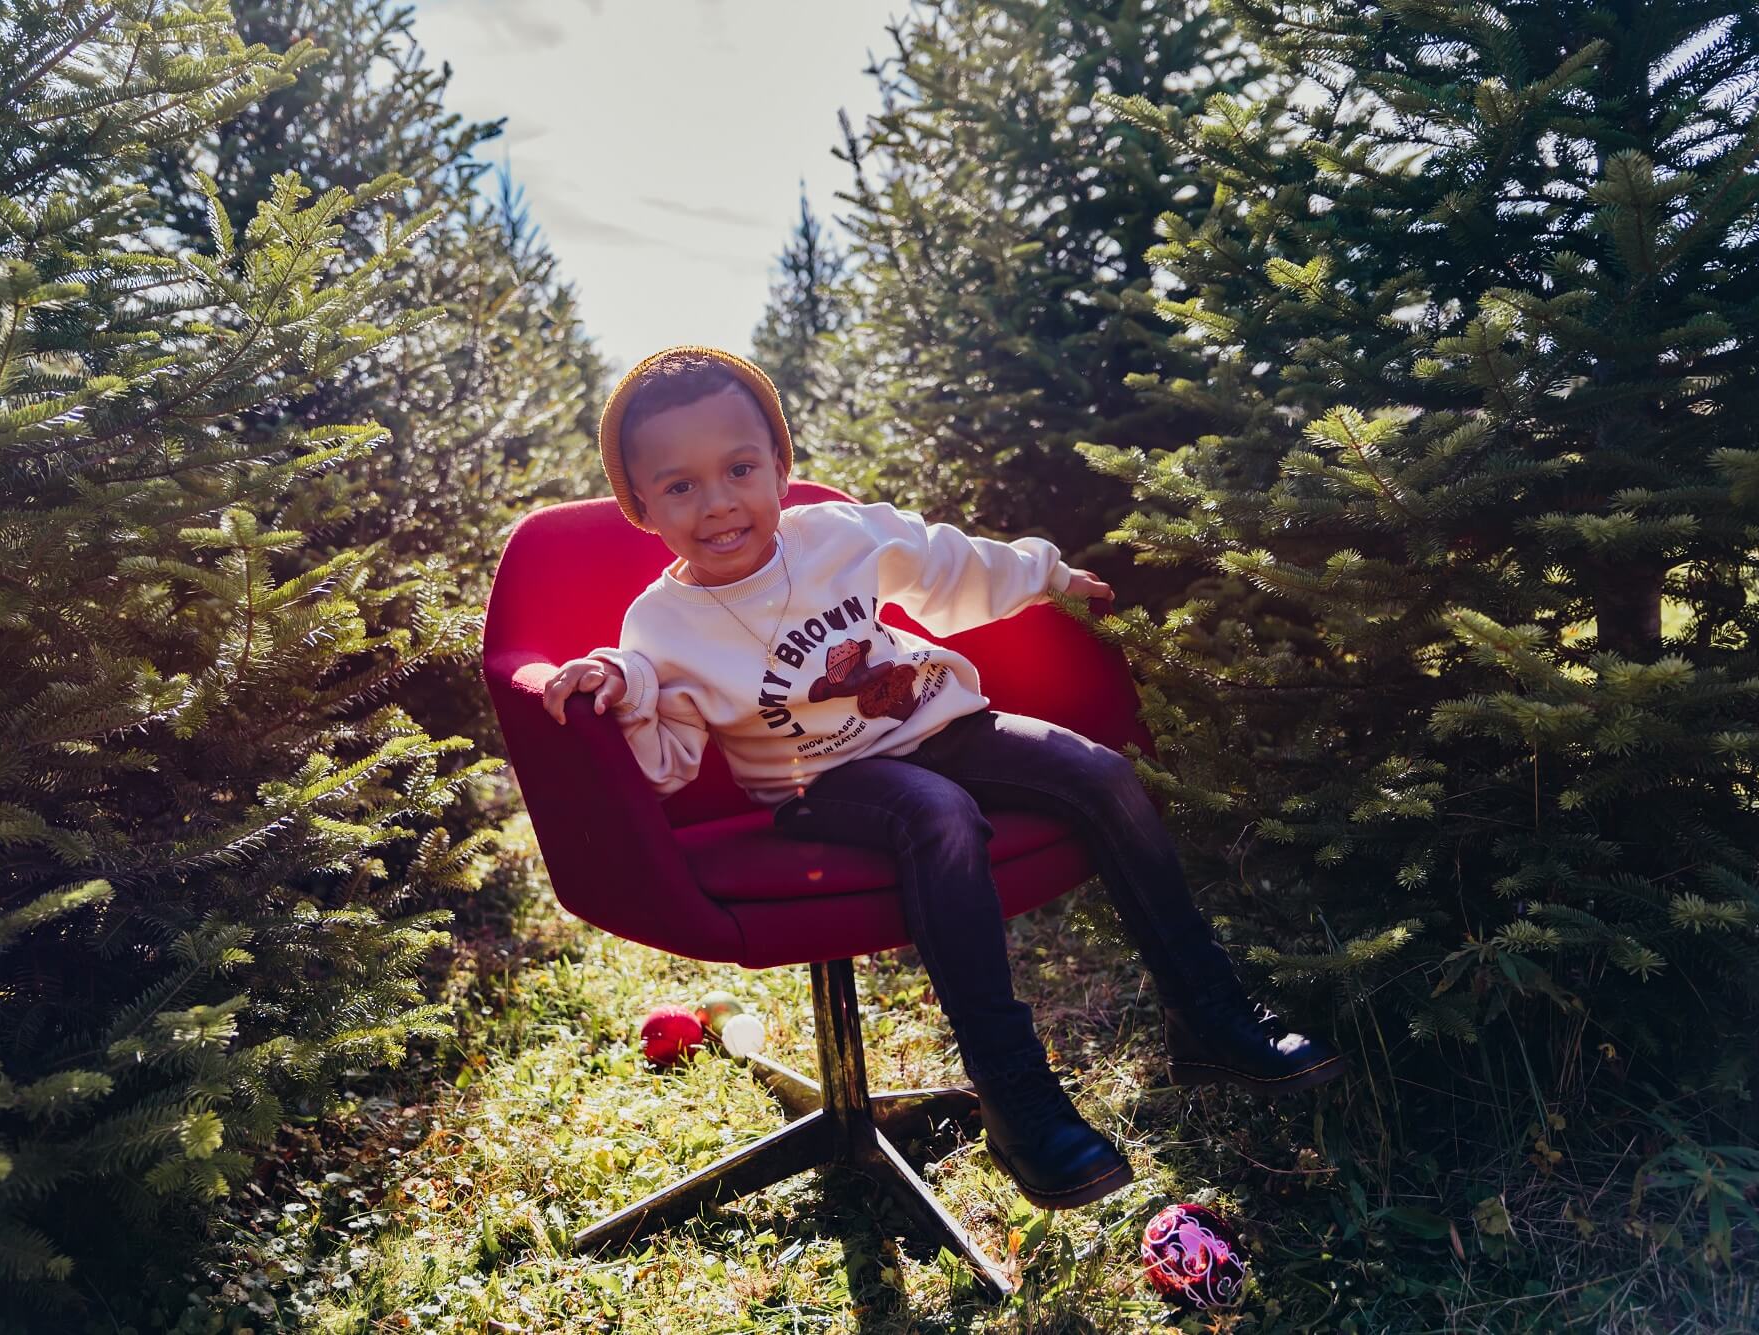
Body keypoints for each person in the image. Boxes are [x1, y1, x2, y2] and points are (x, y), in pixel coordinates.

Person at [542, 345, 1341, 1211]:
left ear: (781, 464)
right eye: (680, 486)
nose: (720, 503)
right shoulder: (660, 621)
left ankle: (1211, 1014)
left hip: (944, 725)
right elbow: (667, 760)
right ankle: (1018, 1099)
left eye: (739, 468)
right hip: (821, 784)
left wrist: (1047, 573)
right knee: (939, 814)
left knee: (1103, 775)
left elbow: (947, 561)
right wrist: (622, 686)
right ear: (641, 506)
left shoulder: (836, 533)